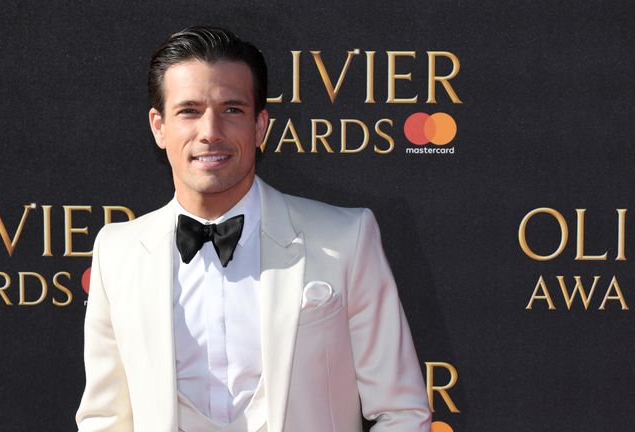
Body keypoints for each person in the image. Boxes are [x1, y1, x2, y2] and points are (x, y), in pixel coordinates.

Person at [76, 26, 431, 432]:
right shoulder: (118, 253)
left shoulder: (345, 239)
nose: (210, 132)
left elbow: (402, 411)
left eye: (232, 110)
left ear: (260, 126)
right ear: (159, 126)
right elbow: (104, 419)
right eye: (189, 110)